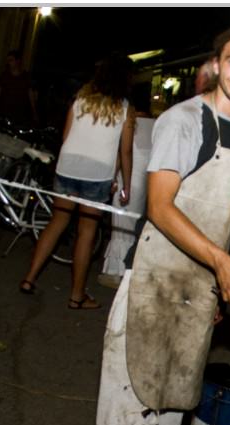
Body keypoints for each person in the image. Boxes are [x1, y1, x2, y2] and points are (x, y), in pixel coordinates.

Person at [89, 25, 230, 425]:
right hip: (155, 274)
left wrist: (218, 280)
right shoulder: (183, 120)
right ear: (216, 64)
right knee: (131, 391)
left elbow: (225, 214)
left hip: (201, 282)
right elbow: (161, 208)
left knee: (175, 393)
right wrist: (222, 263)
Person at [19, 54, 134, 310]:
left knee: (57, 222)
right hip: (97, 176)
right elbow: (125, 151)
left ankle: (29, 278)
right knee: (86, 233)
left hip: (67, 168)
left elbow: (65, 136)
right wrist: (125, 185)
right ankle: (76, 296)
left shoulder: (80, 98)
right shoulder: (125, 107)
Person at [98, 83, 155, 289]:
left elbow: (124, 154)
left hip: (128, 179)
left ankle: (115, 271)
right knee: (133, 228)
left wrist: (114, 179)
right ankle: (128, 271)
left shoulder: (131, 122)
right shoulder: (155, 123)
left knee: (120, 226)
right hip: (145, 183)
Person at [0, 49, 38, 125]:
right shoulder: (5, 75)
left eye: (11, 60)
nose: (9, 63)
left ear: (18, 61)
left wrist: (34, 112)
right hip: (5, 111)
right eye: (8, 60)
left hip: (20, 113)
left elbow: (30, 94)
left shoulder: (25, 77)